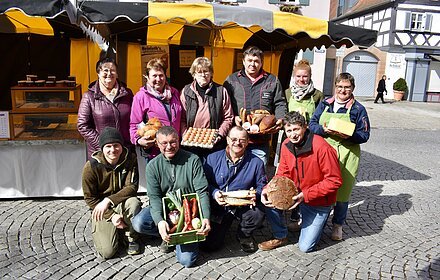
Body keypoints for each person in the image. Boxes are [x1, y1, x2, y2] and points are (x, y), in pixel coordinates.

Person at [259, 111, 342, 252]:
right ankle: (281, 236)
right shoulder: (286, 145)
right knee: (268, 198)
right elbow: (282, 174)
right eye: (289, 130)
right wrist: (267, 189)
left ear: (305, 127)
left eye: (296, 129)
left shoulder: (322, 147)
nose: (293, 134)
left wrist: (306, 195)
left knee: (305, 247)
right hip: (296, 195)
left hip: (317, 201)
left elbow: (334, 180)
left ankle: (317, 219)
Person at [131, 126, 211, 268]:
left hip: (189, 212)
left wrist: (205, 216)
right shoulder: (153, 166)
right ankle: (166, 234)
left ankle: (184, 237)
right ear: (157, 143)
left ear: (179, 141)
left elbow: (202, 191)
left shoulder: (192, 160)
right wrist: (160, 221)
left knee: (187, 261)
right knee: (138, 223)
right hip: (165, 208)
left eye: (173, 142)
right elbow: (154, 197)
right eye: (164, 143)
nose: (169, 147)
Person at [309, 72, 370, 241]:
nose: (343, 90)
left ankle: (337, 225)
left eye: (347, 87)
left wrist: (348, 135)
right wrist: (323, 130)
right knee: (321, 187)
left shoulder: (358, 109)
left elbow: (364, 135)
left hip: (347, 153)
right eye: (340, 87)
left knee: (343, 191)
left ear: (352, 89)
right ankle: (317, 221)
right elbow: (312, 124)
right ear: (335, 87)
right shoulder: (325, 104)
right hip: (325, 152)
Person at [201, 126, 267, 253]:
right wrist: (214, 193)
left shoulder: (256, 163)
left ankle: (244, 234)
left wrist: (256, 194)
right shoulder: (211, 159)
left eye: (242, 140)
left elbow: (262, 185)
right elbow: (203, 183)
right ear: (227, 140)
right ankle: (221, 224)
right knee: (210, 246)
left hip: (242, 205)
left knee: (258, 213)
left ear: (248, 142)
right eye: (234, 139)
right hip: (218, 206)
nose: (237, 143)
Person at [82, 127, 141, 258]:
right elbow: (90, 199)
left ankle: (130, 236)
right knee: (107, 252)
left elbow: (132, 187)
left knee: (134, 202)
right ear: (102, 148)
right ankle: (112, 228)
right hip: (102, 209)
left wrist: (108, 200)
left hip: (122, 202)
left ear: (121, 145)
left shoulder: (130, 158)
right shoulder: (91, 166)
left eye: (116, 145)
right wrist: (111, 215)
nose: (113, 150)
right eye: (108, 146)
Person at [224, 46, 287, 166]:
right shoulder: (232, 80)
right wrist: (234, 117)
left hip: (260, 140)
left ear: (261, 62)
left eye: (256, 61)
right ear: (243, 61)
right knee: (235, 171)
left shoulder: (272, 81)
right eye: (249, 60)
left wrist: (280, 119)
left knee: (259, 174)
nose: (252, 64)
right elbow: (225, 104)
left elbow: (280, 103)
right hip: (237, 139)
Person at [285, 59, 324, 225]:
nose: (302, 80)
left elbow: (320, 118)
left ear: (310, 77)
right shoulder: (288, 93)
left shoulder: (317, 95)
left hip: (309, 139)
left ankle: (307, 207)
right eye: (299, 76)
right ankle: (293, 208)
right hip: (290, 138)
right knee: (292, 173)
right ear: (294, 77)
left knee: (308, 174)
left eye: (305, 77)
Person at [78, 57, 134, 160]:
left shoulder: (127, 93)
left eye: (113, 70)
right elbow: (83, 125)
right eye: (105, 70)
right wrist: (103, 144)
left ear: (117, 74)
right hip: (100, 154)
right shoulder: (89, 96)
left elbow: (135, 120)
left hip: (125, 151)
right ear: (98, 73)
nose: (109, 73)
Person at [129, 58, 183, 163]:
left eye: (161, 75)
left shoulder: (175, 93)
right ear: (147, 77)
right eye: (154, 76)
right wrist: (138, 140)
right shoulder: (141, 97)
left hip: (175, 149)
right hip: (155, 153)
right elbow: (134, 124)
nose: (158, 79)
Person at [180, 57, 234, 158]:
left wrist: (219, 135)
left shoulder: (221, 91)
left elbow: (228, 117)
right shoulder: (186, 91)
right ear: (194, 74)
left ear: (211, 73)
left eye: (206, 71)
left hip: (214, 144)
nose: (203, 75)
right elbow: (182, 118)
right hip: (192, 144)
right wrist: (185, 135)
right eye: (199, 72)